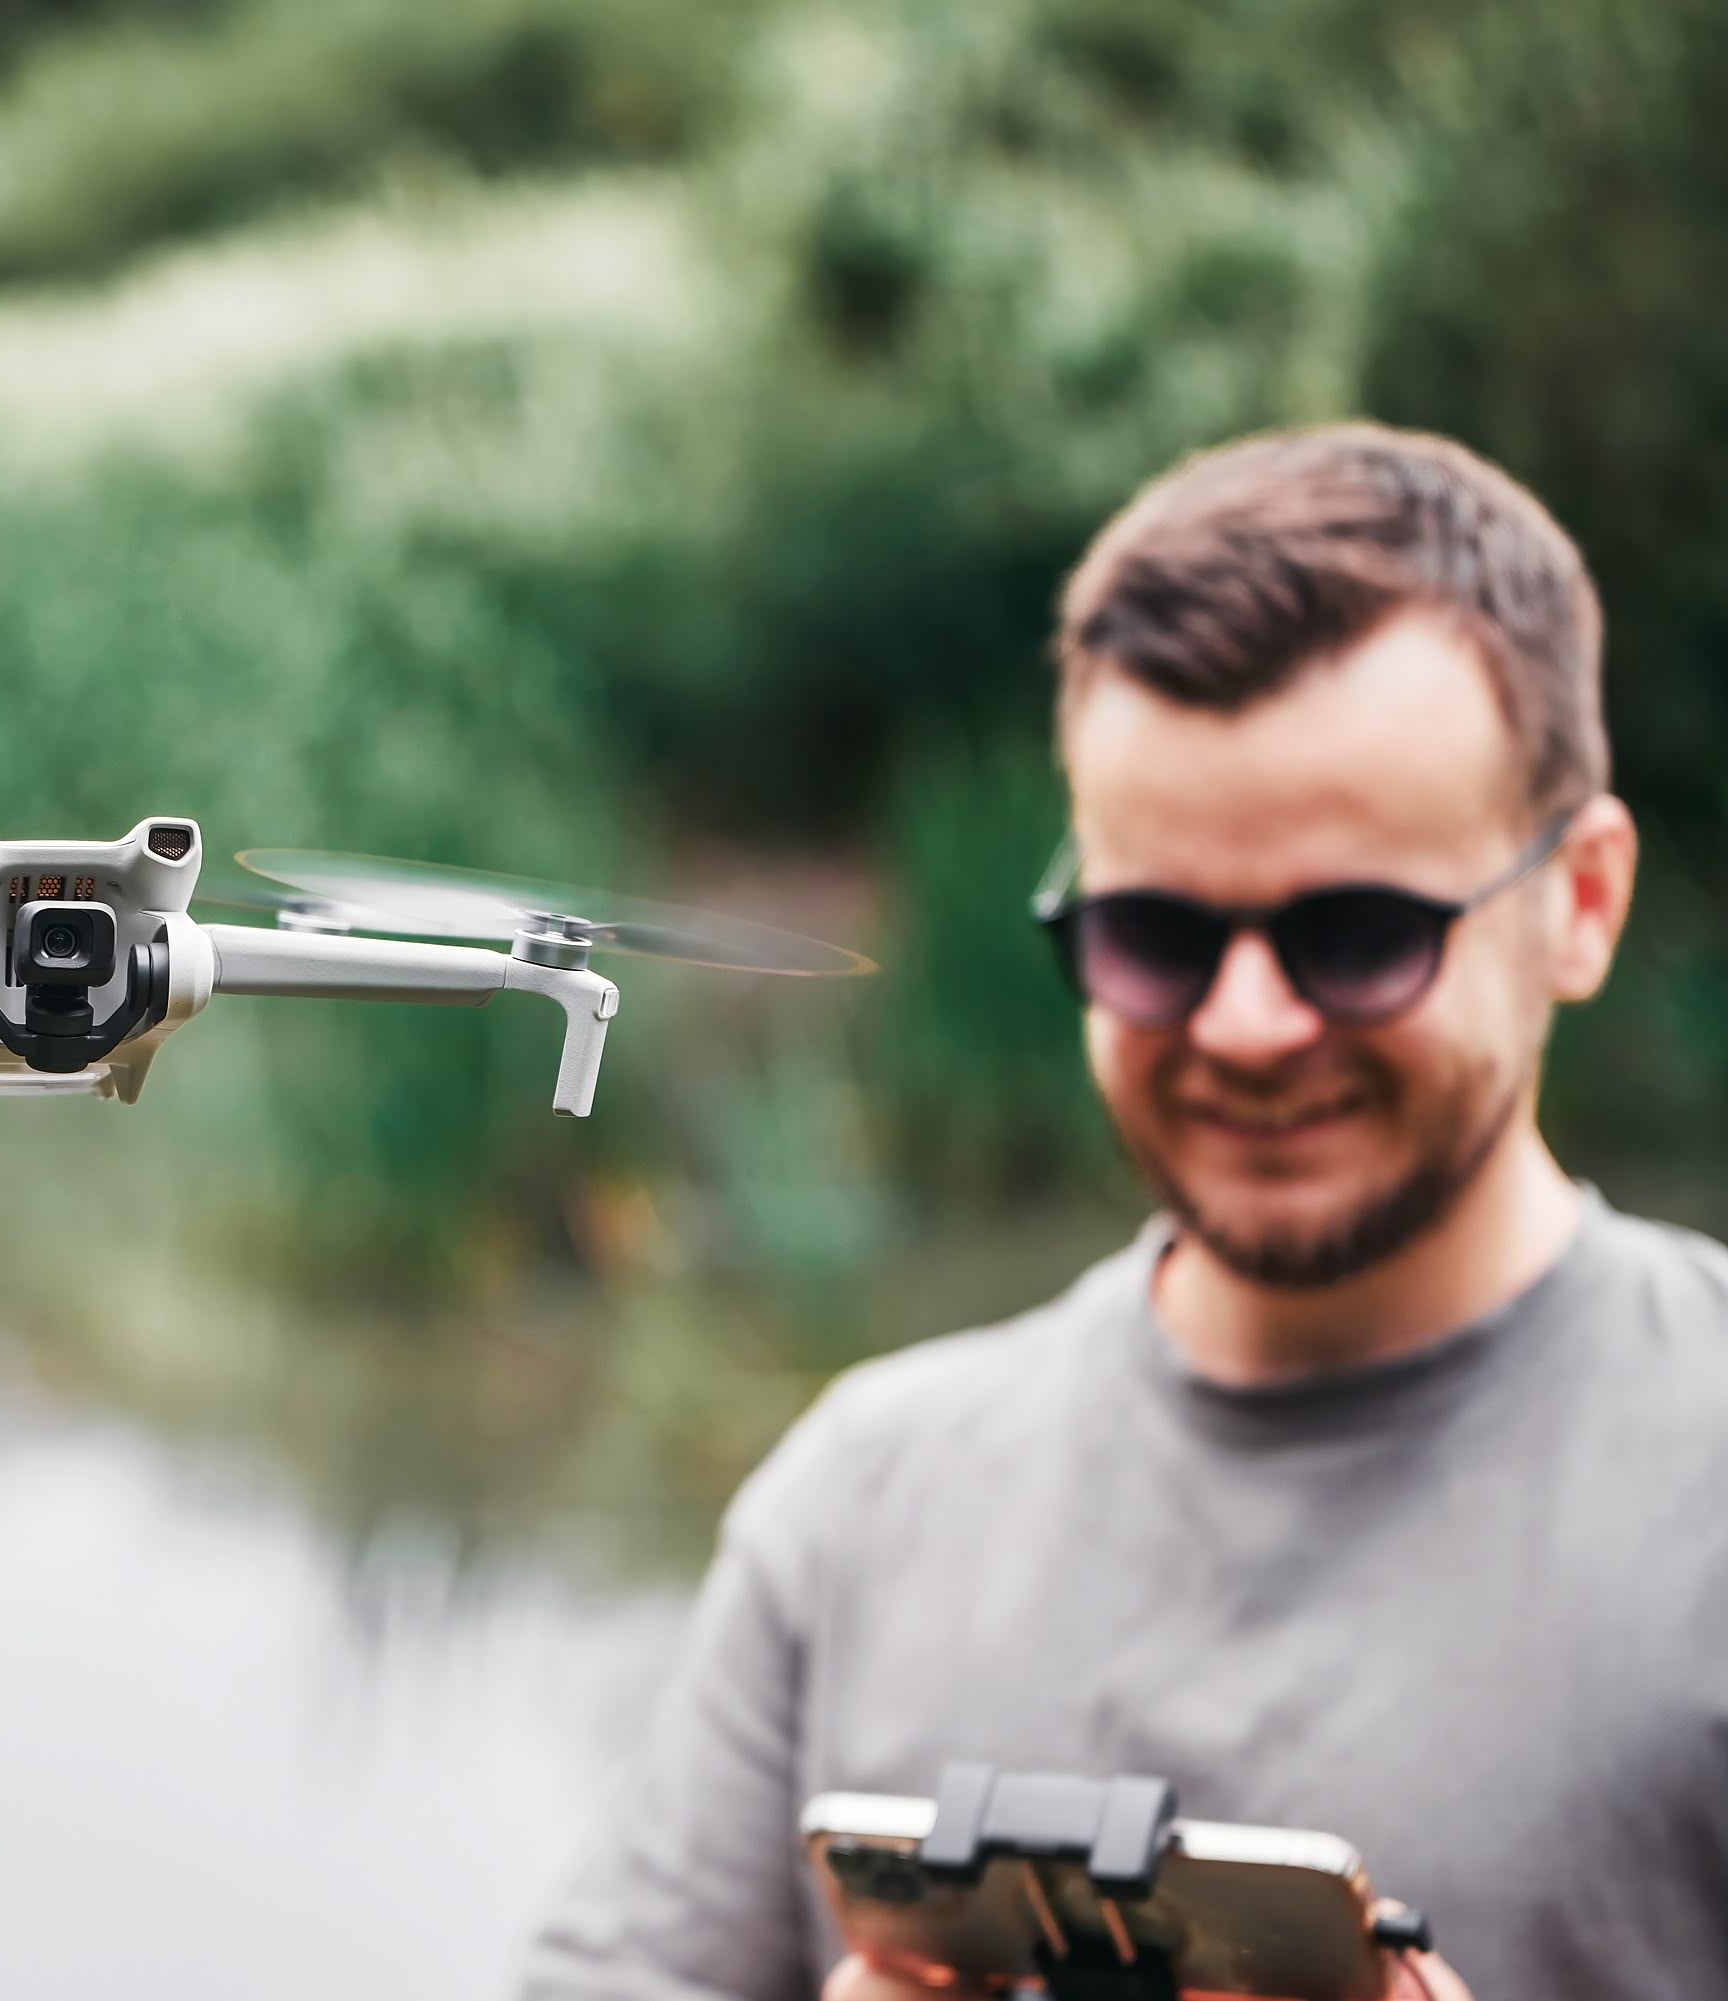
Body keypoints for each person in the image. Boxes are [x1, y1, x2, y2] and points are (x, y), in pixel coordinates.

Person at [519, 423, 1728, 2001]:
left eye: (1357, 933)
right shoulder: (860, 1506)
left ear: (1581, 901)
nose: (1244, 1022)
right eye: (1153, 932)